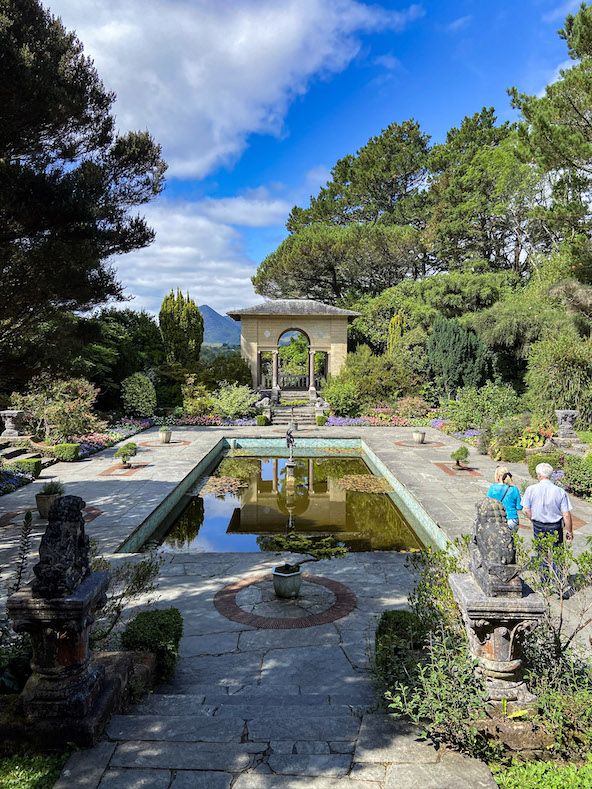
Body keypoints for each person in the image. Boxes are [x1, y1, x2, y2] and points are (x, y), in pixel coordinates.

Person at [522, 462, 573, 545]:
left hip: (538, 524)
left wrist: (533, 520)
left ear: (539, 475)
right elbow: (566, 514)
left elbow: (526, 510)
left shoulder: (530, 489)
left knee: (540, 552)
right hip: (555, 525)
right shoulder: (560, 491)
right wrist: (570, 531)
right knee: (557, 552)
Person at [487, 465, 522, 531]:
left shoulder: (493, 488)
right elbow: (519, 507)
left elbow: (488, 504)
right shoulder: (514, 489)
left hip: (498, 519)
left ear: (498, 476)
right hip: (513, 519)